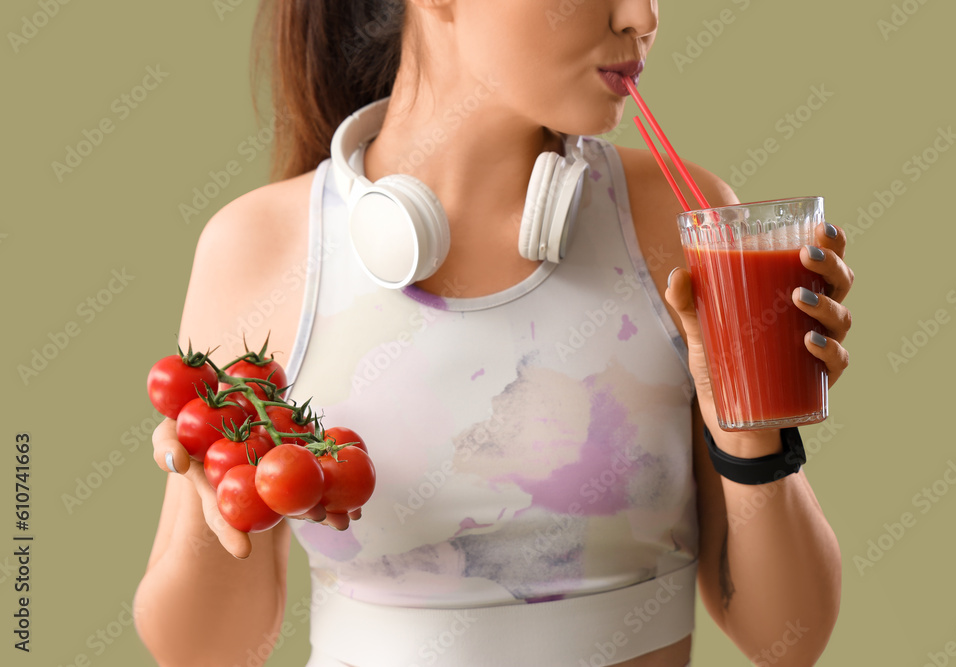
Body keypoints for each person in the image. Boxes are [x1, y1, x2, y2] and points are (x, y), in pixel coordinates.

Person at [134, 1, 853, 665]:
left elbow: (787, 638)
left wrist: (753, 434)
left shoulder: (677, 222)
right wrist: (218, 492)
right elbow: (206, 654)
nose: (642, 16)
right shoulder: (259, 248)